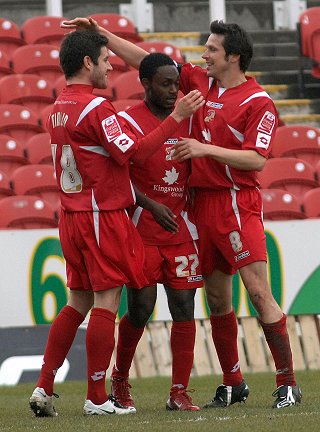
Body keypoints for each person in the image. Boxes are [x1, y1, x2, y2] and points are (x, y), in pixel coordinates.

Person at [61, 18, 302, 410]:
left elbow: (257, 160)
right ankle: (232, 382)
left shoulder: (258, 102)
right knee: (218, 300)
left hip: (236, 202)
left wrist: (204, 150)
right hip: (199, 206)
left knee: (258, 293)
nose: (203, 55)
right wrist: (102, 36)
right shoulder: (201, 83)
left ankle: (287, 383)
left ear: (233, 57)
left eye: (211, 50)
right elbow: (149, 64)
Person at [29, 29, 204, 417]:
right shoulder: (96, 107)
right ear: (88, 63)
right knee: (107, 302)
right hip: (100, 216)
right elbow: (136, 152)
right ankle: (96, 397)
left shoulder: (56, 107)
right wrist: (177, 117)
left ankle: (43, 385)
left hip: (71, 217)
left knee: (77, 302)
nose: (111, 67)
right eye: (106, 60)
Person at [110, 52, 202, 412]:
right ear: (145, 84)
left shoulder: (189, 118)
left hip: (180, 229)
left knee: (184, 306)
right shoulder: (127, 121)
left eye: (175, 84)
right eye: (164, 84)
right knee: (141, 308)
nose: (172, 90)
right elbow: (119, 173)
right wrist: (149, 204)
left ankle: (179, 392)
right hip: (142, 230)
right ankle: (119, 381)